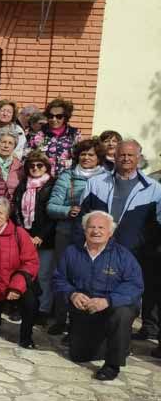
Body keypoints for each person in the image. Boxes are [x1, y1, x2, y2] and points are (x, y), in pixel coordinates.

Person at [77, 140, 161, 342]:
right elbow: (82, 217)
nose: (126, 158)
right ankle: (88, 333)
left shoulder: (154, 189)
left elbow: (157, 225)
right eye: (122, 154)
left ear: (139, 158)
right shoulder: (96, 183)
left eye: (131, 155)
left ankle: (120, 338)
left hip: (135, 253)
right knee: (94, 289)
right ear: (114, 157)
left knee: (126, 298)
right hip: (98, 250)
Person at [54, 211, 144, 380]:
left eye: (101, 227)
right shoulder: (71, 252)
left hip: (113, 306)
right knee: (79, 356)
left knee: (123, 314)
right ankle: (117, 343)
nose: (96, 231)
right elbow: (59, 279)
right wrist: (72, 294)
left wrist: (108, 301)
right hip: (86, 307)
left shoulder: (123, 255)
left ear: (110, 232)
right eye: (91, 227)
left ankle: (112, 364)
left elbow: (135, 286)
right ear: (84, 230)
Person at [46, 138, 106, 335]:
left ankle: (81, 322)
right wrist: (67, 210)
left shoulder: (107, 179)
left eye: (91, 155)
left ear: (99, 158)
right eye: (83, 154)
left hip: (94, 236)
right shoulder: (68, 176)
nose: (86, 158)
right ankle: (60, 319)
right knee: (63, 275)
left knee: (89, 276)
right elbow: (51, 206)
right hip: (67, 232)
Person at [0, 197, 40, 348]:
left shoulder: (19, 233)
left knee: (31, 302)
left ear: (7, 215)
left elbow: (30, 262)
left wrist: (16, 287)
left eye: (1, 213)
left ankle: (26, 336)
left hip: (16, 287)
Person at [12, 150, 56, 325]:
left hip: (45, 238)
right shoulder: (23, 185)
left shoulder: (52, 185)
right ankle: (20, 307)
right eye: (32, 165)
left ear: (46, 167)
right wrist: (24, 234)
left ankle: (43, 310)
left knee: (43, 275)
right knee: (23, 273)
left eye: (39, 165)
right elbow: (16, 210)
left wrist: (40, 236)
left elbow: (52, 215)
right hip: (25, 236)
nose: (35, 168)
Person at [28, 97, 81, 176]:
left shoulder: (74, 134)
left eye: (59, 116)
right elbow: (28, 157)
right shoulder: (39, 134)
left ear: (65, 117)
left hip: (66, 178)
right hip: (42, 179)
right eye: (51, 116)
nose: (54, 119)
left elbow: (79, 158)